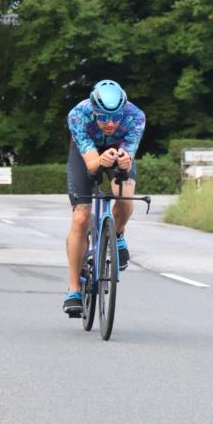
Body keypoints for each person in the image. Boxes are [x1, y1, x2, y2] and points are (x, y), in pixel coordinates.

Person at [63, 80, 145, 315]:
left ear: (124, 111)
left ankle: (117, 235)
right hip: (86, 155)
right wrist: (100, 160)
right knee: (81, 217)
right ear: (93, 110)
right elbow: (90, 165)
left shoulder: (136, 116)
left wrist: (125, 159)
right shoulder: (78, 115)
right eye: (103, 118)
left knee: (126, 197)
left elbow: (128, 154)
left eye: (116, 117)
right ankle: (74, 289)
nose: (110, 124)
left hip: (118, 151)